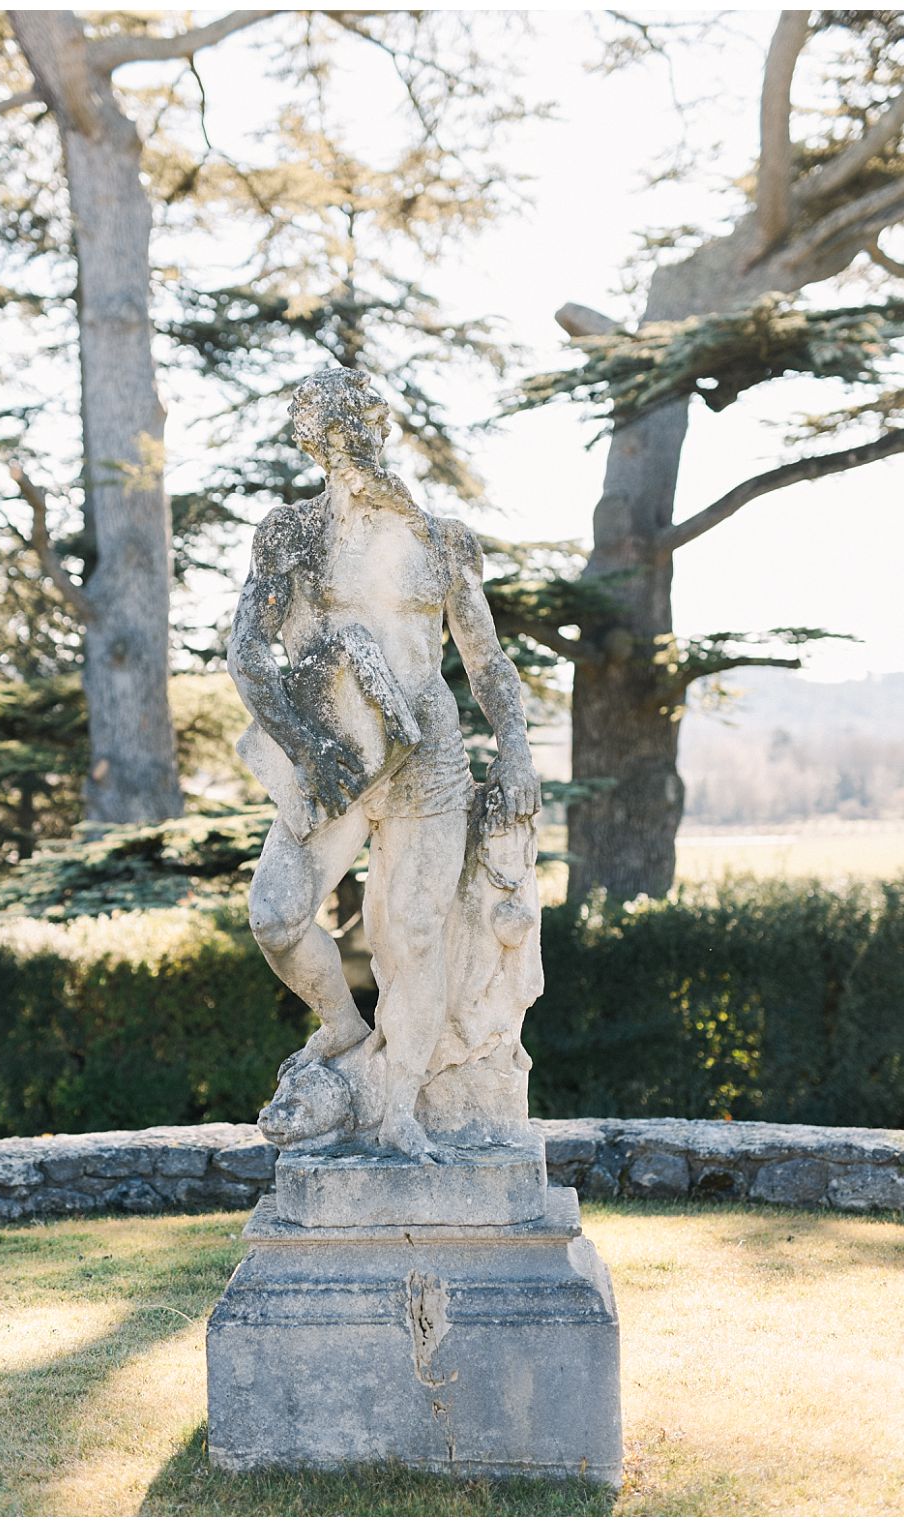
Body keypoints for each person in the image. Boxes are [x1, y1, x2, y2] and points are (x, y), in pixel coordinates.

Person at [228, 366, 540, 1160]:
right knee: (277, 914)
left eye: (360, 426)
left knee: (413, 935)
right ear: (313, 442)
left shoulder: (438, 539)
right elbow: (247, 652)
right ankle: (341, 1024)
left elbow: (487, 661)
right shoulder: (291, 534)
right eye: (333, 432)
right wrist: (304, 743)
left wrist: (515, 751)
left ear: (379, 431)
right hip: (332, 753)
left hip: (427, 758)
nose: (349, 444)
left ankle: (400, 1107)